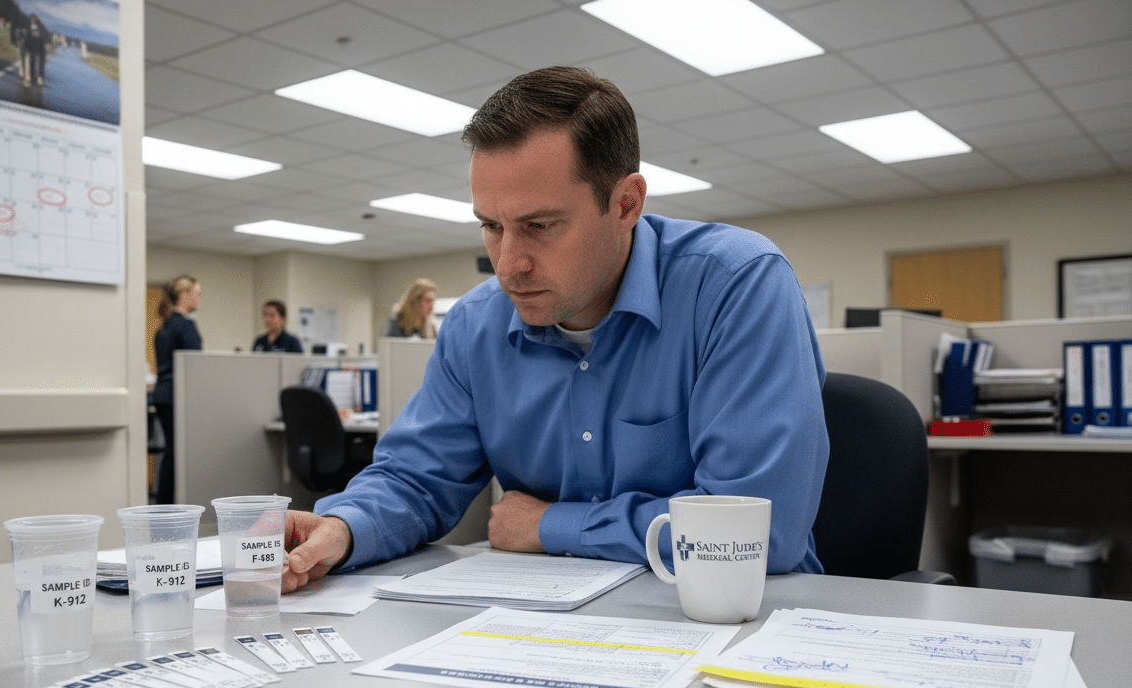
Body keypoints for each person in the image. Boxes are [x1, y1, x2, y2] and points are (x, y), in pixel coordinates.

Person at [283, 66, 829, 593]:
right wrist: (346, 527)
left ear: (626, 204)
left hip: (733, 619)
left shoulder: (735, 286)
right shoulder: (476, 326)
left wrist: (552, 526)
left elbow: (757, 532)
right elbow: (416, 479)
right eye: (491, 227)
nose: (508, 263)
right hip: (551, 626)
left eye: (539, 226)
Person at [151, 275, 202, 505]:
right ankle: (168, 506)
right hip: (176, 396)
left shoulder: (165, 326)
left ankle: (163, 504)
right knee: (175, 453)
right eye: (197, 293)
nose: (199, 298)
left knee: (170, 452)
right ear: (185, 294)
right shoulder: (185, 325)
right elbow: (194, 364)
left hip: (162, 395)